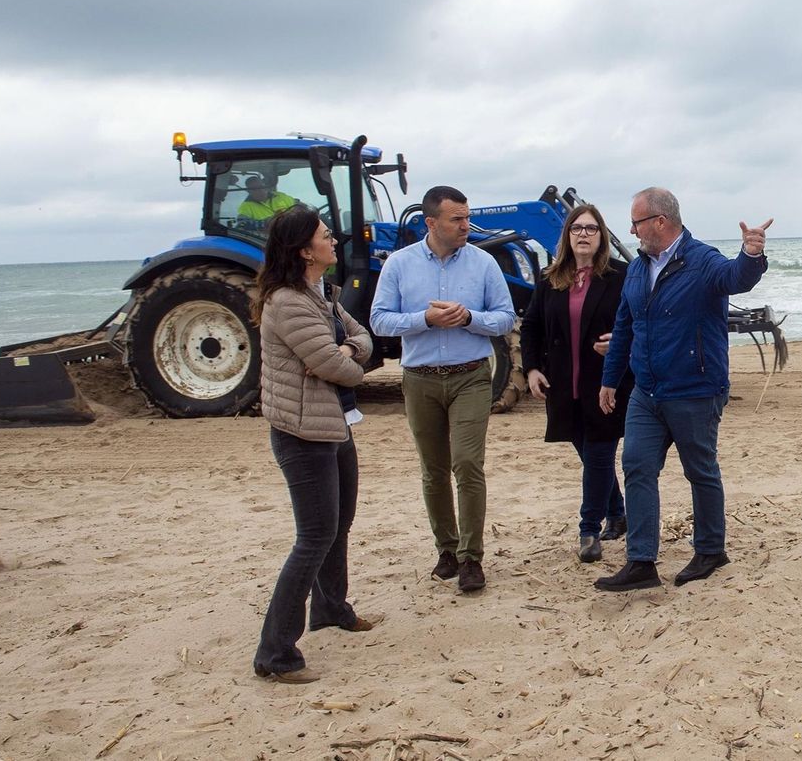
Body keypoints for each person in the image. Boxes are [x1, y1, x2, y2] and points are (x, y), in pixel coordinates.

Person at [594, 188, 771, 591]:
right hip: (647, 390)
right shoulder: (637, 268)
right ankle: (641, 562)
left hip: (695, 389)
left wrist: (752, 254)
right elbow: (626, 326)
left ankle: (710, 550)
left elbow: (736, 278)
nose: (632, 230)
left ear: (659, 221)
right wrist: (610, 377)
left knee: (700, 471)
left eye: (636, 222)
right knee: (637, 466)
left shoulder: (702, 260)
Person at [252, 206, 376, 685]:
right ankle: (275, 654)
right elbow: (343, 368)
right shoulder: (288, 302)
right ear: (305, 250)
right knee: (313, 538)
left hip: (332, 424)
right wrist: (344, 357)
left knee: (338, 524)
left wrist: (344, 350)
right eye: (325, 236)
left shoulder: (321, 293)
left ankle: (331, 610)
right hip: (302, 433)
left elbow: (361, 340)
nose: (334, 241)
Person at [370, 186, 515, 593]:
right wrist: (424, 320)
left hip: (471, 375)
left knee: (467, 464)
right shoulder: (399, 265)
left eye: (467, 217)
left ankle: (471, 558)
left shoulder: (484, 263)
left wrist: (469, 317)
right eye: (458, 219)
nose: (467, 225)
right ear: (431, 223)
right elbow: (379, 320)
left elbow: (505, 318)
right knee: (433, 471)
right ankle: (446, 550)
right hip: (419, 379)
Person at [519, 204, 633, 564]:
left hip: (606, 383)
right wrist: (532, 368)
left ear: (601, 237)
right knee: (589, 453)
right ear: (567, 236)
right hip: (563, 385)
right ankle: (617, 513)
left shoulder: (621, 275)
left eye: (591, 229)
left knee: (599, 453)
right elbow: (531, 326)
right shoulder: (551, 276)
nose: (583, 234)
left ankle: (588, 528)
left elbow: (638, 323)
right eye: (577, 228)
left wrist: (619, 342)